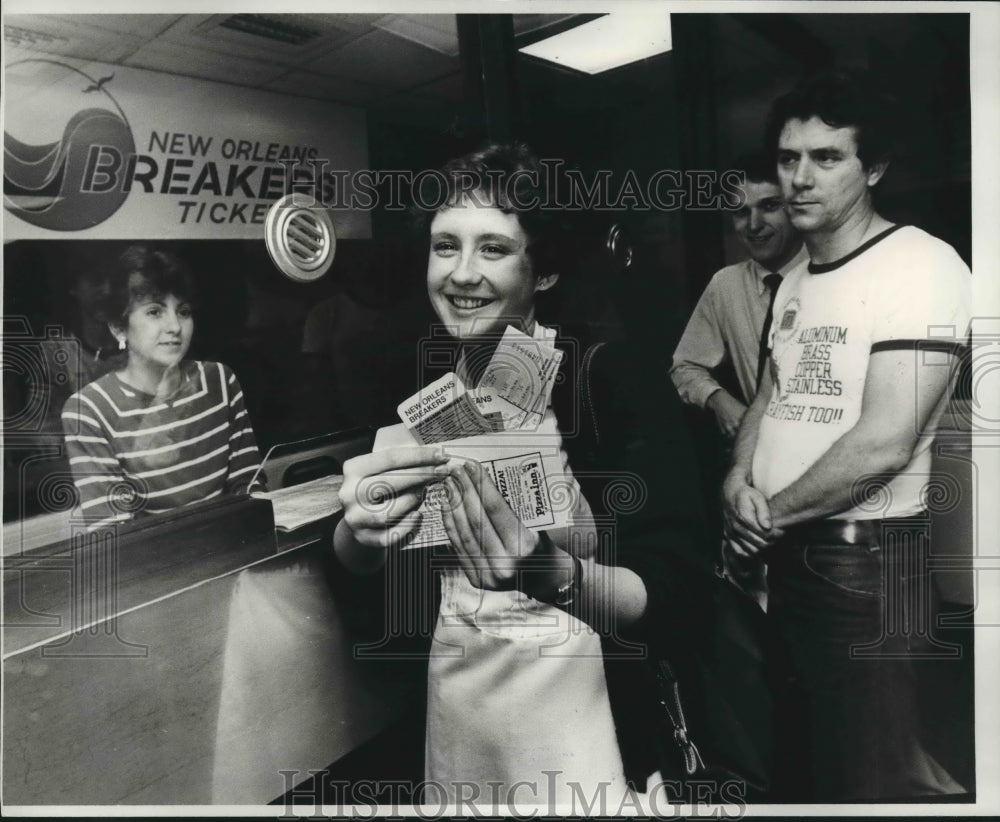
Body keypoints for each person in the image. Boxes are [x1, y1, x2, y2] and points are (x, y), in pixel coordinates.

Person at [331, 144, 713, 809]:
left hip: (584, 720)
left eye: (494, 249)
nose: (461, 273)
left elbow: (677, 591)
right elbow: (373, 575)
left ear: (543, 273)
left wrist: (552, 574)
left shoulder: (608, 378)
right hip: (463, 712)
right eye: (445, 246)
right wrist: (358, 534)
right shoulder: (426, 381)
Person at [721, 70, 971, 802]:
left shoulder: (921, 264)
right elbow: (770, 396)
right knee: (798, 749)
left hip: (865, 564)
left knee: (866, 772)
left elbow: (886, 440)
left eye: (826, 158)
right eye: (788, 158)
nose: (799, 178)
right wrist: (737, 482)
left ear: (875, 169)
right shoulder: (796, 277)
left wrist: (766, 519)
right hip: (784, 550)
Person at [61, 245, 265, 530]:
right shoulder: (89, 410)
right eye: (155, 311)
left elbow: (250, 488)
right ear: (119, 328)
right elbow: (112, 530)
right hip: (159, 566)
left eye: (183, 311)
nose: (174, 326)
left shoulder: (220, 381)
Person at [670, 150, 806, 439]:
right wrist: (720, 401)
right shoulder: (726, 285)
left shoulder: (833, 274)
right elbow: (685, 365)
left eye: (769, 206)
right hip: (760, 457)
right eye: (741, 212)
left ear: (796, 207)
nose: (754, 224)